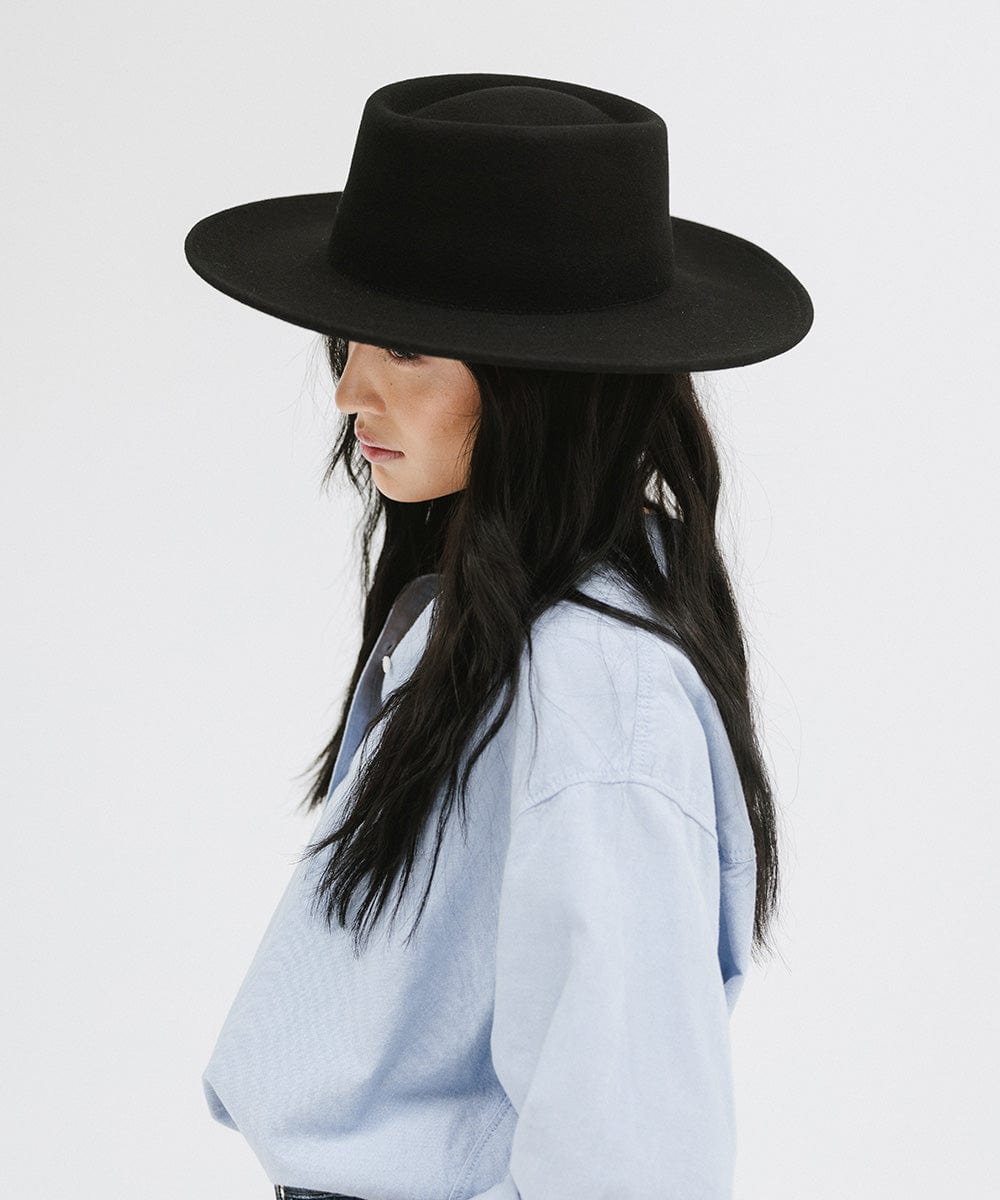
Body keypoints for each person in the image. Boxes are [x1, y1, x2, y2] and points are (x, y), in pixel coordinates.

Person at [183, 71, 814, 1200]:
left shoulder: (594, 687)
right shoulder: (508, 630)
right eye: (352, 339)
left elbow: (632, 1165)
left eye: (408, 350)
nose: (350, 392)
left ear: (540, 384)